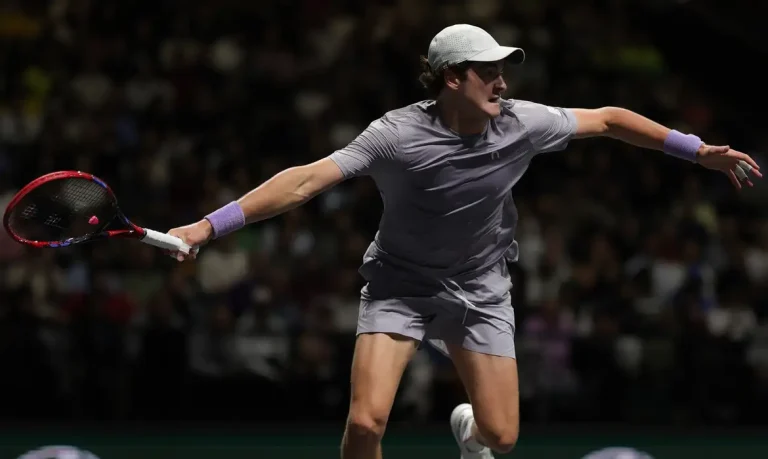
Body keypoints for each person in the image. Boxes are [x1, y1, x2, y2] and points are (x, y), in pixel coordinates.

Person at [167, 24, 761, 459]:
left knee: (501, 437)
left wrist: (695, 150)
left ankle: (467, 431)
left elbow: (607, 119)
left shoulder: (522, 121)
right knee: (366, 423)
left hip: (480, 287)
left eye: (504, 70)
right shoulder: (396, 134)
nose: (502, 82)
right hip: (400, 284)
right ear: (452, 78)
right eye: (488, 71)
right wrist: (205, 227)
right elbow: (303, 182)